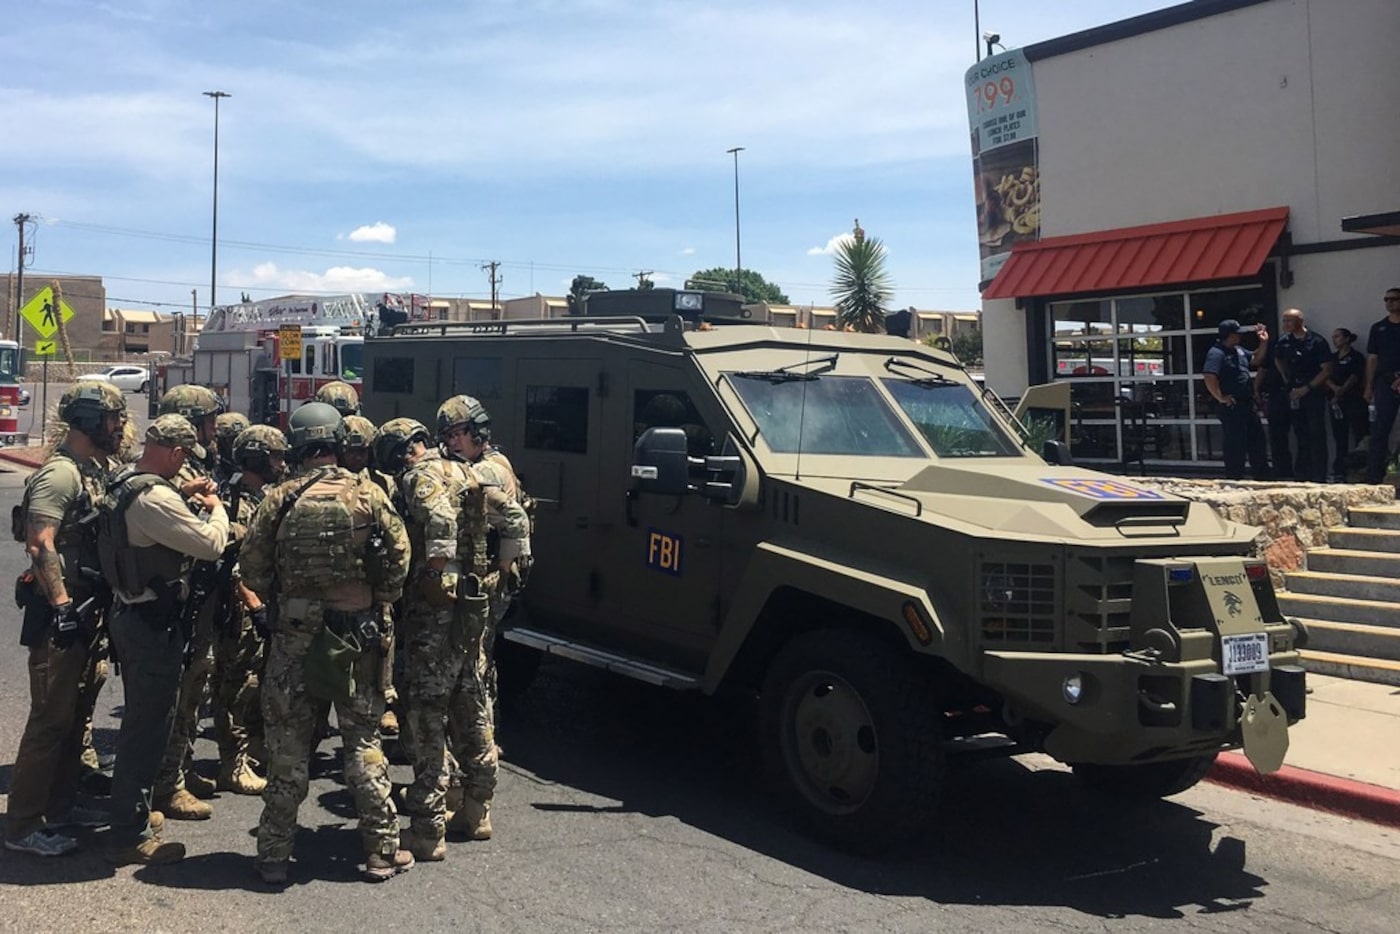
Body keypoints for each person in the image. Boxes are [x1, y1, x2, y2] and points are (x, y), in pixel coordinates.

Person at [242, 402, 412, 885]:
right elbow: (399, 562)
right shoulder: (370, 493)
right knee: (363, 743)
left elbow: (252, 569)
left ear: (297, 445)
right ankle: (381, 850)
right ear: (337, 442)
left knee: (289, 749)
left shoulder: (279, 498)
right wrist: (373, 599)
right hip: (357, 638)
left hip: (294, 638)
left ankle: (274, 855)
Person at [4, 384, 127, 857]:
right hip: (63, 613)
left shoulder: (91, 470)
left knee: (76, 714)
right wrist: (60, 607)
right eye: (113, 419)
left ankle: (60, 806)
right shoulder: (58, 475)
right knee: (49, 720)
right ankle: (22, 826)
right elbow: (40, 543)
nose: (118, 427)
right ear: (91, 421)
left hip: (87, 610)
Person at [103, 415, 230, 865]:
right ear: (176, 453)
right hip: (150, 624)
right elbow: (210, 544)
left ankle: (132, 811)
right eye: (183, 461)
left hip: (130, 613)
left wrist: (184, 494)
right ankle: (129, 833)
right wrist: (217, 508)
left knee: (143, 720)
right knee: (147, 727)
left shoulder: (126, 480)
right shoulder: (155, 498)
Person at [433, 397, 532, 839]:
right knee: (477, 674)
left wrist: (503, 575)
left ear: (474, 432)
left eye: (455, 435)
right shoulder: (498, 462)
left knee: (466, 681)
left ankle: (466, 777)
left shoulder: (484, 472)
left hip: (480, 588)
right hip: (491, 586)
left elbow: (510, 521)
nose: (451, 444)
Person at [152, 384, 226, 821]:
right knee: (179, 691)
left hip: (200, 593)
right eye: (207, 421)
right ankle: (167, 782)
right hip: (177, 599)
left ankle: (180, 765)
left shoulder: (196, 465)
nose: (214, 428)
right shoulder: (174, 475)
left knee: (196, 687)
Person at [211, 425, 289, 795]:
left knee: (260, 685)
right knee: (237, 688)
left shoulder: (266, 495)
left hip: (266, 604)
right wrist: (256, 608)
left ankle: (255, 750)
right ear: (256, 458)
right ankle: (233, 763)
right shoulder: (237, 501)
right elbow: (237, 564)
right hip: (242, 612)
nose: (281, 463)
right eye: (274, 456)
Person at [1203, 319, 1272, 481]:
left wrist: (1264, 342)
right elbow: (1209, 376)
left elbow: (1255, 359)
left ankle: (1262, 475)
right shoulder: (1216, 353)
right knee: (1235, 442)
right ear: (1229, 335)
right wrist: (1220, 397)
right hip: (1232, 405)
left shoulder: (1239, 350)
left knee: (1256, 439)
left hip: (1247, 402)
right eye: (1237, 334)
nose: (1240, 337)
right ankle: (1234, 477)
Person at [1274, 308, 1333, 483]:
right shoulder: (1284, 341)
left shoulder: (1316, 341)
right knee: (1300, 434)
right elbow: (1278, 358)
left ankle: (1318, 476)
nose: (1285, 324)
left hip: (1313, 392)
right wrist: (1286, 378)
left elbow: (1327, 369)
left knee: (1316, 433)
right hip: (1294, 393)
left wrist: (1307, 388)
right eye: (1283, 321)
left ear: (1300, 321)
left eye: (1289, 321)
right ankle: (1302, 474)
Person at [1365, 287, 1400, 483]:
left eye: (1394, 299)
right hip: (1385, 383)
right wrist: (1369, 385)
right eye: (1386, 299)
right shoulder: (1378, 328)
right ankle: (1374, 477)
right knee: (1380, 430)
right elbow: (1372, 358)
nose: (1390, 303)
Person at [1326, 328, 1368, 481]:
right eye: (1333, 337)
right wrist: (1334, 389)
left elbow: (1355, 376)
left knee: (1359, 434)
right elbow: (1326, 374)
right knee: (1340, 437)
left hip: (1354, 400)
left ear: (1347, 338)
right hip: (1336, 402)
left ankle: (1360, 469)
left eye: (1337, 336)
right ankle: (1340, 470)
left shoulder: (1356, 357)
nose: (1334, 340)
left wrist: (1342, 389)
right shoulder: (1332, 358)